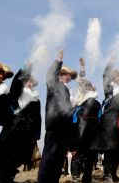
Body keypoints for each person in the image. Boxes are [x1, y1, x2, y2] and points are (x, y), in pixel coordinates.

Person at [0, 63, 42, 183]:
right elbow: (16, 82)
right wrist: (26, 69)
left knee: (16, 162)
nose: (29, 83)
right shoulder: (15, 94)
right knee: (4, 162)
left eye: (30, 82)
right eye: (26, 81)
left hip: (26, 135)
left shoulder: (36, 100)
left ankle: (9, 179)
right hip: (11, 133)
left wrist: (36, 135)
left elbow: (38, 118)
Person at [38, 49, 78, 183]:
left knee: (58, 161)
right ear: (61, 74)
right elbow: (50, 75)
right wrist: (58, 61)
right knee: (49, 159)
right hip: (55, 126)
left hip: (65, 129)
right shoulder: (54, 84)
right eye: (67, 74)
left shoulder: (69, 90)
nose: (69, 77)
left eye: (70, 76)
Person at [91, 57, 119, 183]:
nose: (118, 78)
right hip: (109, 125)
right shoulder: (109, 89)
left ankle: (113, 173)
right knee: (110, 149)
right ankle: (107, 174)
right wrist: (110, 63)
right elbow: (104, 76)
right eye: (116, 76)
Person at [70, 58, 101, 183]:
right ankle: (75, 176)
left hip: (94, 128)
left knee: (92, 153)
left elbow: (100, 117)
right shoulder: (82, 93)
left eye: (91, 85)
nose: (90, 86)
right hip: (82, 125)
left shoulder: (97, 102)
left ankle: (87, 176)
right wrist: (82, 68)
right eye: (88, 85)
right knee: (80, 151)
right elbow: (81, 80)